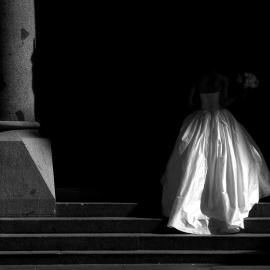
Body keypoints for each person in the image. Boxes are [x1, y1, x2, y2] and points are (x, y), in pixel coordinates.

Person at [160, 70, 270, 234]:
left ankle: (194, 201)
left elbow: (190, 103)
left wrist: (204, 107)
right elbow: (224, 101)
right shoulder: (222, 79)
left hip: (201, 118)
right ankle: (223, 203)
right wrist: (241, 92)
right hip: (220, 118)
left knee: (195, 158)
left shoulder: (197, 79)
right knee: (223, 157)